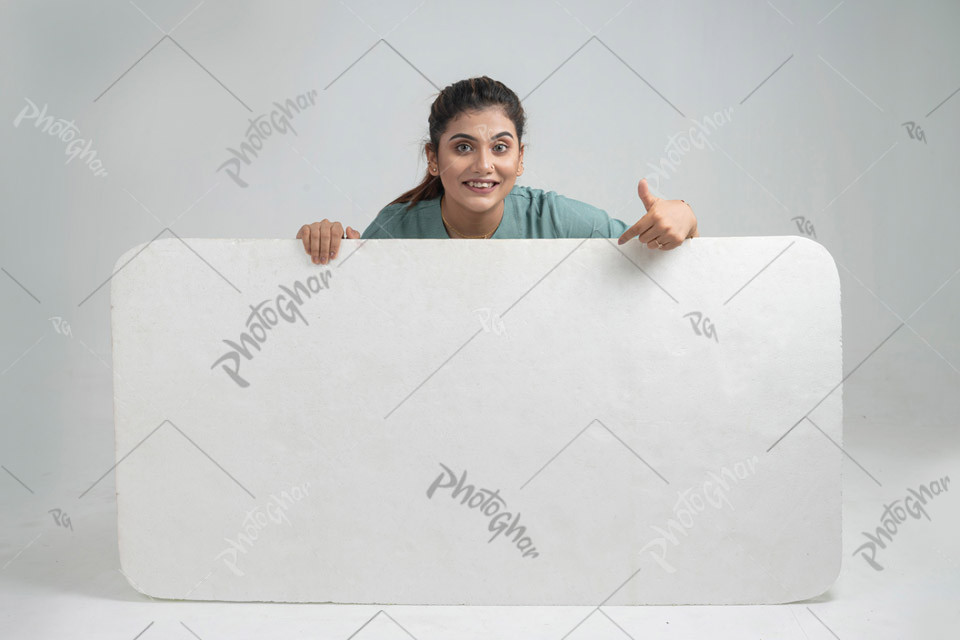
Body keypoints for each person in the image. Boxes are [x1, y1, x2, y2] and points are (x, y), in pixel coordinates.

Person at [296, 76, 698, 265]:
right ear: (433, 159)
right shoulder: (396, 229)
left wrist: (685, 217)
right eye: (463, 147)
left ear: (520, 159)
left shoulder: (554, 219)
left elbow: (648, 245)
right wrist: (324, 245)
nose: (483, 165)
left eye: (500, 147)